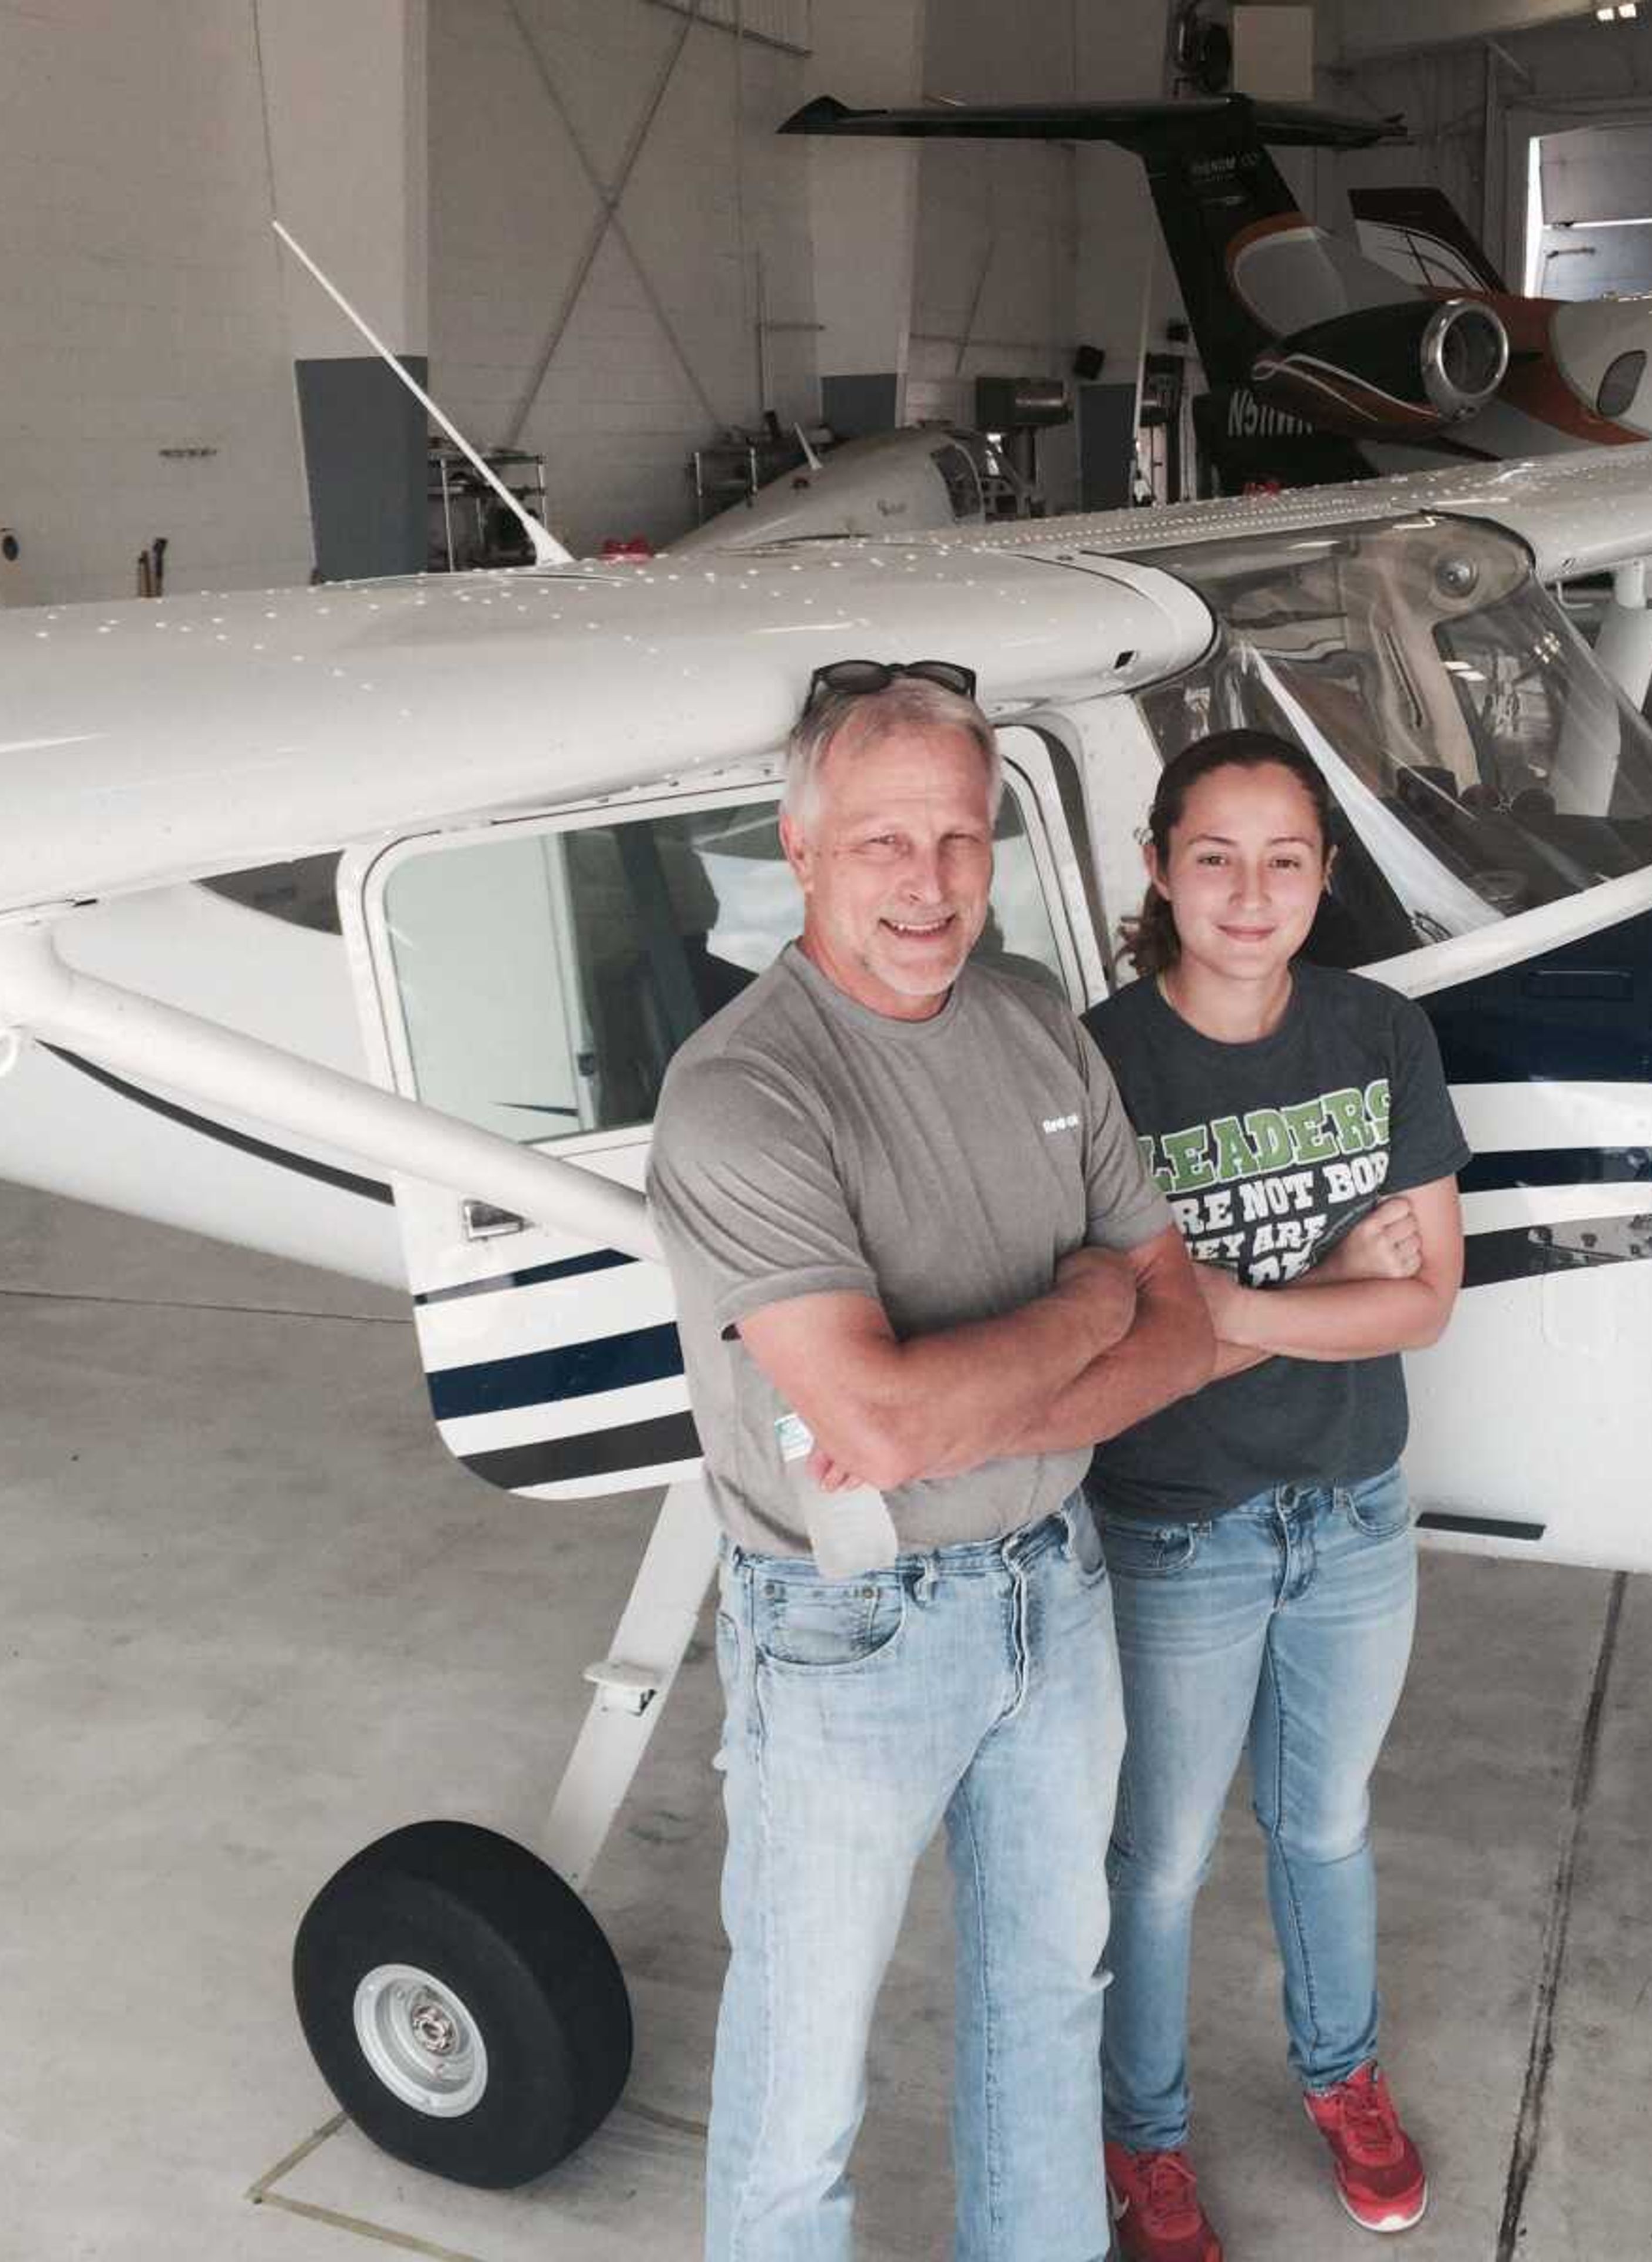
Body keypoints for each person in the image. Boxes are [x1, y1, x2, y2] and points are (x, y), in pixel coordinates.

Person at [646, 660, 1214, 2262]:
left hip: (1057, 1587)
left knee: (1050, 2010)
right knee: (801, 2079)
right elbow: (890, 1427)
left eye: (960, 839)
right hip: (853, 1630)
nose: (928, 883)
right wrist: (1086, 1307)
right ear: (802, 850)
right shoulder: (744, 1094)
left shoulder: (1036, 1019)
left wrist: (1003, 1396)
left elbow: (1186, 1319)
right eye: (883, 841)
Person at [1084, 729, 1470, 2256]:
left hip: (1355, 1509)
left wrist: (1224, 1307)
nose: (1252, 891)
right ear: (1161, 869)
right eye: (1217, 856)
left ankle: (1343, 2078)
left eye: (1286, 858)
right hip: (1175, 1524)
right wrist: (1314, 1287)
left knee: (1325, 1824)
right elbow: (1116, 1335)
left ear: (1324, 876)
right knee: (1163, 1856)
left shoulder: (1378, 1036)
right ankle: (1145, 2141)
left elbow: (1425, 1299)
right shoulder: (1101, 1063)